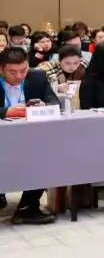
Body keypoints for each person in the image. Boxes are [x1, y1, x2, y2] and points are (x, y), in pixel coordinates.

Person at [0, 47, 59, 223]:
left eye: (23, 70)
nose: (19, 76)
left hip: (30, 138)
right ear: (1, 69)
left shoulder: (37, 77)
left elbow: (53, 102)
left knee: (48, 157)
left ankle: (27, 208)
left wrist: (42, 107)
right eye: (12, 72)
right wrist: (5, 112)